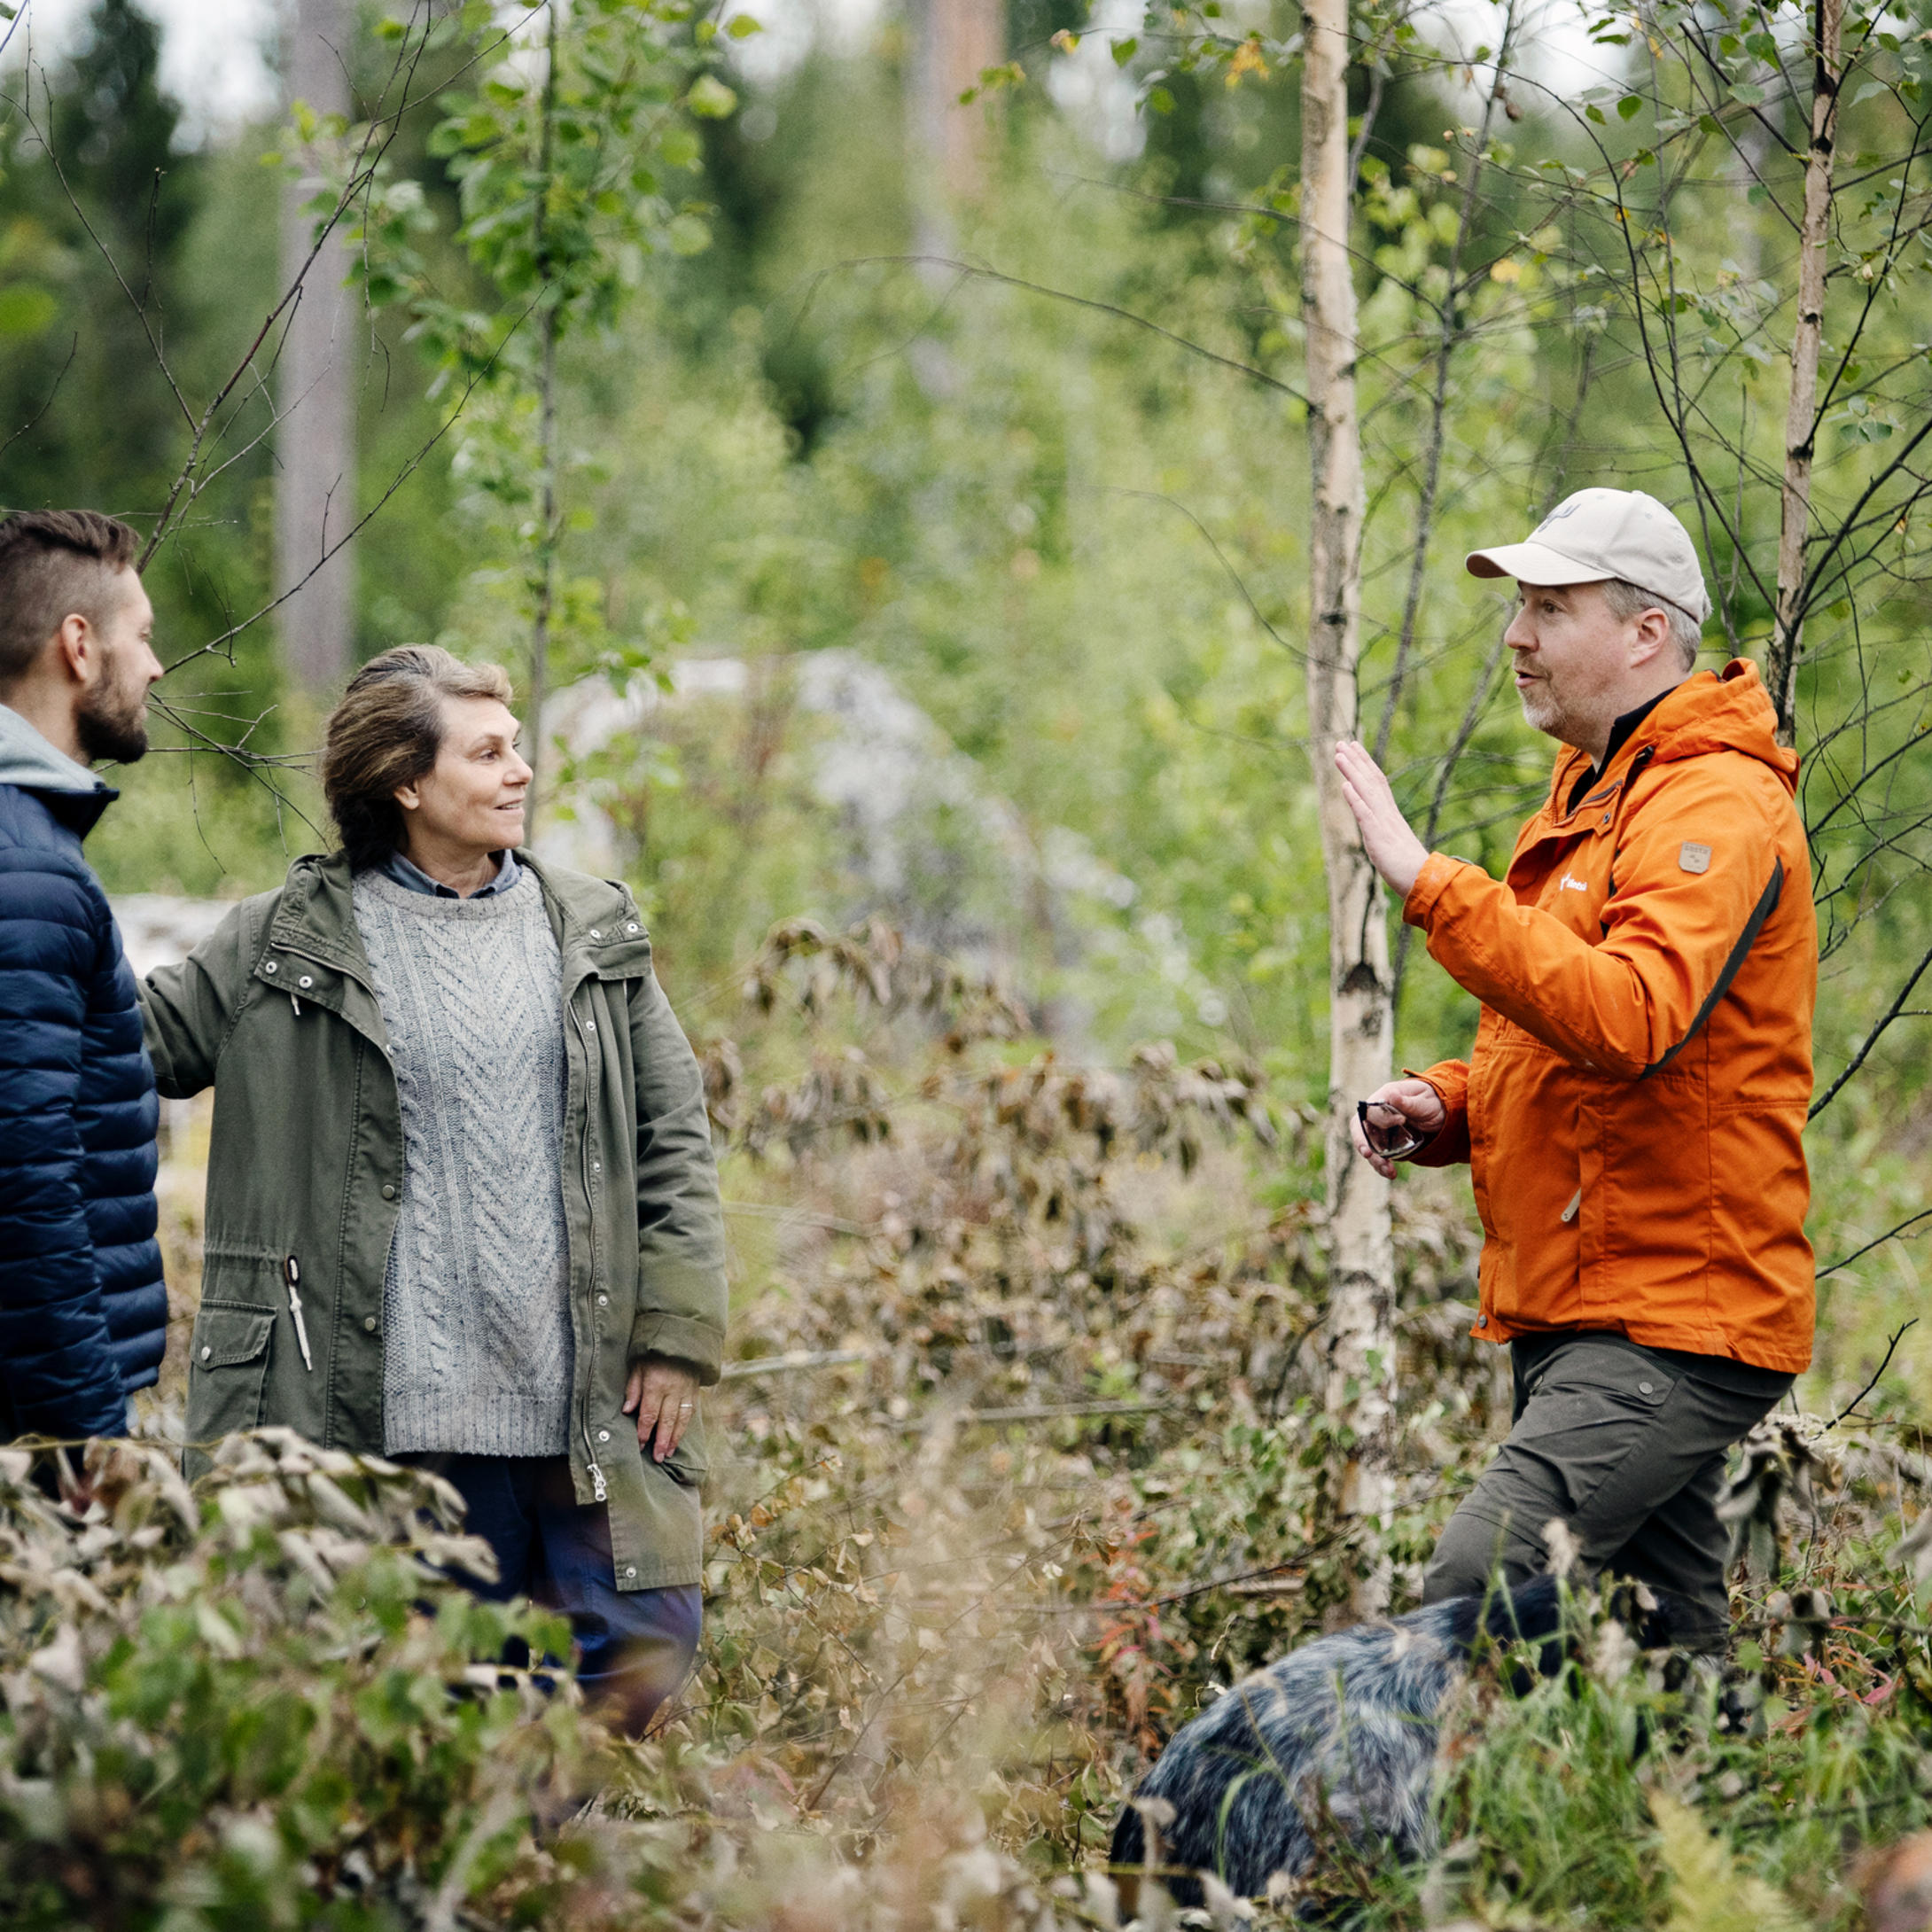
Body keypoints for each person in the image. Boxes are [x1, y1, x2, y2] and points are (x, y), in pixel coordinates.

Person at [139, 645, 728, 1732]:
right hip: (398, 1416)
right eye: (489, 750)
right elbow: (119, 1049)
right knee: (440, 1694)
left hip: (578, 1399)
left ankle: (500, 1839)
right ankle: (479, 1881)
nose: (520, 772)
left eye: (517, 748)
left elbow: (673, 1133)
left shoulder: (590, 926)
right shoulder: (285, 938)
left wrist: (676, 1332)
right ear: (406, 782)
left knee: (647, 1641)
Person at [1336, 487, 1816, 1653]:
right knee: (1661, 1660)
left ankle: (1353, 1831)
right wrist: (1445, 1107)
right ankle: (1724, 1829)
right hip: (1599, 1298)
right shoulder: (1596, 798)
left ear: (1645, 632)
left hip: (1669, 1314)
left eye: (1549, 607)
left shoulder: (1713, 801)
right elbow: (1578, 1039)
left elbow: (1635, 1015)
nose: (1517, 635)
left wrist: (1425, 879)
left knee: (1475, 1581)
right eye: (1520, 608)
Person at [0, 509, 167, 1457]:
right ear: (78, 645)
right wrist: (88, 1445)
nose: (153, 666)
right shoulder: (26, 866)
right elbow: (24, 1182)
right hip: (35, 1421)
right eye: (139, 636)